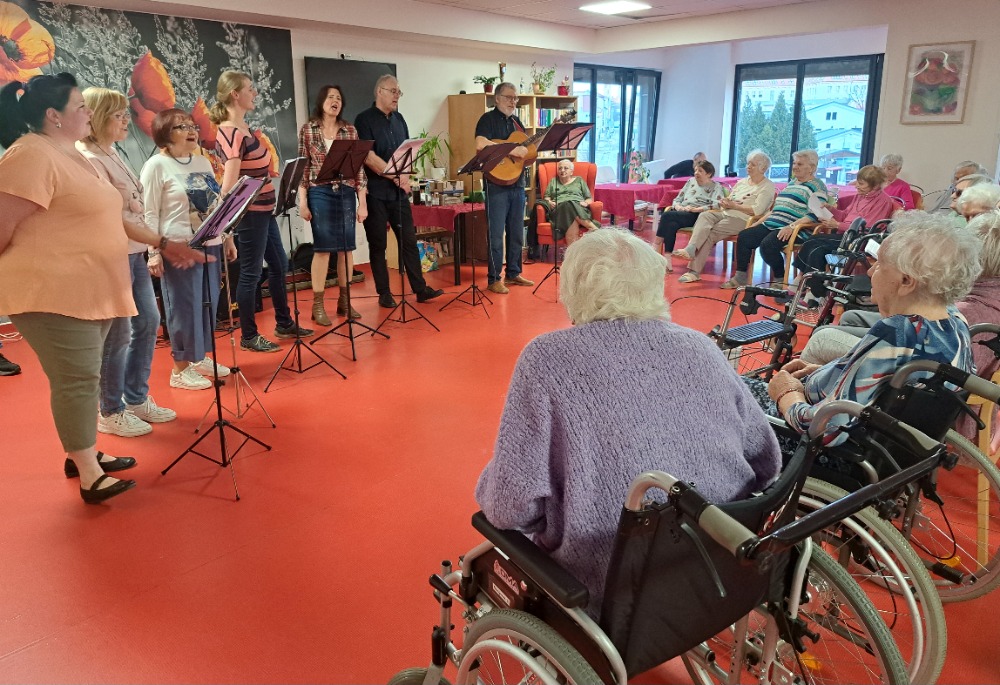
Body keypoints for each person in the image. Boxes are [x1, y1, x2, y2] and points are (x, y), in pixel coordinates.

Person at [474, 228, 781, 616]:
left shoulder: (546, 360)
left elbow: (509, 509)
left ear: (571, 289)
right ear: (653, 284)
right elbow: (765, 461)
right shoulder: (701, 346)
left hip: (609, 590)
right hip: (723, 567)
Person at [0, 73, 206, 503]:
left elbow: (114, 217)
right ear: (54, 115)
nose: (88, 113)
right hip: (52, 292)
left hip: (88, 288)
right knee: (77, 379)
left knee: (85, 375)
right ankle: (89, 474)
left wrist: (164, 243)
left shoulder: (73, 155)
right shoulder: (30, 155)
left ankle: (82, 454)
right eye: (81, 107)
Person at [756, 212, 979, 443]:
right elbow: (880, 388)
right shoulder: (955, 321)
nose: (871, 272)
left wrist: (786, 393)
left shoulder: (897, 333)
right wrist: (832, 370)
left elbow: (826, 431)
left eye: (880, 264)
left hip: (810, 444)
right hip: (893, 444)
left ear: (906, 281)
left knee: (734, 394)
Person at [78, 87, 178, 435]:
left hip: (134, 252)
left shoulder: (111, 151)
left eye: (125, 114)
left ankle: (135, 397)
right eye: (119, 115)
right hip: (114, 255)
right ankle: (110, 409)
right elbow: (108, 214)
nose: (126, 121)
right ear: (98, 118)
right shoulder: (89, 159)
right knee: (118, 334)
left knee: (148, 321)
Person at [209, 70, 311, 353]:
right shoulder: (231, 133)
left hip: (265, 211)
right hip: (250, 215)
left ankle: (284, 323)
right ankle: (249, 336)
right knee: (251, 274)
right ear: (235, 94)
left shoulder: (244, 128)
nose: (254, 93)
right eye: (250, 89)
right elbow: (229, 186)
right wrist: (227, 228)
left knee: (279, 266)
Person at [142, 108, 237, 390]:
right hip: (178, 247)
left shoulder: (202, 162)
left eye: (192, 126)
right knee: (184, 307)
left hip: (210, 243)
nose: (191, 131)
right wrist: (153, 252)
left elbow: (215, 204)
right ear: (165, 134)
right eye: (181, 127)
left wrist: (227, 237)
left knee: (208, 302)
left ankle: (199, 357)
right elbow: (149, 213)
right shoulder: (156, 166)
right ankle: (180, 369)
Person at [355, 75, 442, 309]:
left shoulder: (399, 119)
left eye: (399, 92)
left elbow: (406, 152)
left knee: (409, 241)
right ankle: (384, 293)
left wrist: (406, 175)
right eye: (393, 91)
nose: (397, 96)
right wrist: (395, 176)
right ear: (379, 92)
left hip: (398, 193)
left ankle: (420, 289)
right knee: (378, 245)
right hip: (375, 192)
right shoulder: (363, 119)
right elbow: (368, 157)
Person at [298, 85, 369, 324]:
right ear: (321, 101)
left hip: (346, 191)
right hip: (319, 191)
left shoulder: (349, 130)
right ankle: (318, 305)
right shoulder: (308, 130)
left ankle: (344, 301)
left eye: (338, 97)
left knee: (346, 249)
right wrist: (302, 202)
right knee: (323, 248)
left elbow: (358, 169)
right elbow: (303, 168)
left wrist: (362, 203)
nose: (335, 101)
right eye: (330, 97)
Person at [722, 149, 827, 289]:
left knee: (768, 245)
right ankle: (740, 277)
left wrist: (791, 227)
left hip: (796, 228)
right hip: (772, 223)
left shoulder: (817, 186)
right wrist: (757, 223)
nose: (795, 167)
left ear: (812, 168)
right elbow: (775, 210)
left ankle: (779, 278)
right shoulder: (792, 184)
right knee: (745, 236)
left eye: (800, 164)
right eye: (794, 163)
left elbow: (815, 214)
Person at [791, 164, 897, 300]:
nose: (856, 186)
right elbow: (845, 215)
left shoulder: (883, 201)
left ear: (875, 186)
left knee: (815, 244)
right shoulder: (860, 196)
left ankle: (808, 287)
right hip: (846, 235)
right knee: (815, 246)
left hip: (859, 240)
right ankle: (813, 290)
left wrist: (837, 225)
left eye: (861, 184)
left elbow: (867, 228)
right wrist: (831, 209)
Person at [672, 150, 775, 283]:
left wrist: (735, 206)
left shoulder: (767, 186)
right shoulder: (742, 182)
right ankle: (691, 248)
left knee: (710, 233)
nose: (748, 167)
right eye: (748, 163)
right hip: (725, 212)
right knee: (704, 215)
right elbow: (730, 198)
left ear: (763, 168)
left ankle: (694, 271)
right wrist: (725, 202)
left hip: (743, 219)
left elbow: (757, 211)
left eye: (753, 165)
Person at [475, 81, 534, 294]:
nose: (513, 101)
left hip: (518, 183)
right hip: (496, 185)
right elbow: (480, 143)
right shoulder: (487, 119)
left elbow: (526, 152)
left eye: (515, 98)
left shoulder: (517, 123)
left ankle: (513, 273)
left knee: (516, 231)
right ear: (497, 98)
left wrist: (529, 150)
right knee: (496, 234)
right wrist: (510, 150)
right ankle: (494, 279)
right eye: (509, 97)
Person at [651, 159, 727, 263]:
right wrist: (679, 207)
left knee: (666, 215)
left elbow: (717, 204)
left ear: (709, 174)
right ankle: (668, 258)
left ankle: (656, 244)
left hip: (698, 215)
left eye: (700, 171)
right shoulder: (690, 182)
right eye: (695, 170)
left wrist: (697, 209)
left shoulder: (716, 186)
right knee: (671, 225)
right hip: (682, 212)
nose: (696, 173)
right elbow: (677, 199)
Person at [540, 158, 599, 245]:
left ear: (571, 171)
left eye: (565, 168)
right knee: (567, 205)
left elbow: (589, 198)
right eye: (560, 168)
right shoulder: (553, 181)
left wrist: (586, 203)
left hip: (579, 208)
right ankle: (594, 228)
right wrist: (549, 202)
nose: (562, 170)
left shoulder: (579, 180)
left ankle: (572, 251)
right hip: (559, 210)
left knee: (569, 207)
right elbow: (546, 197)